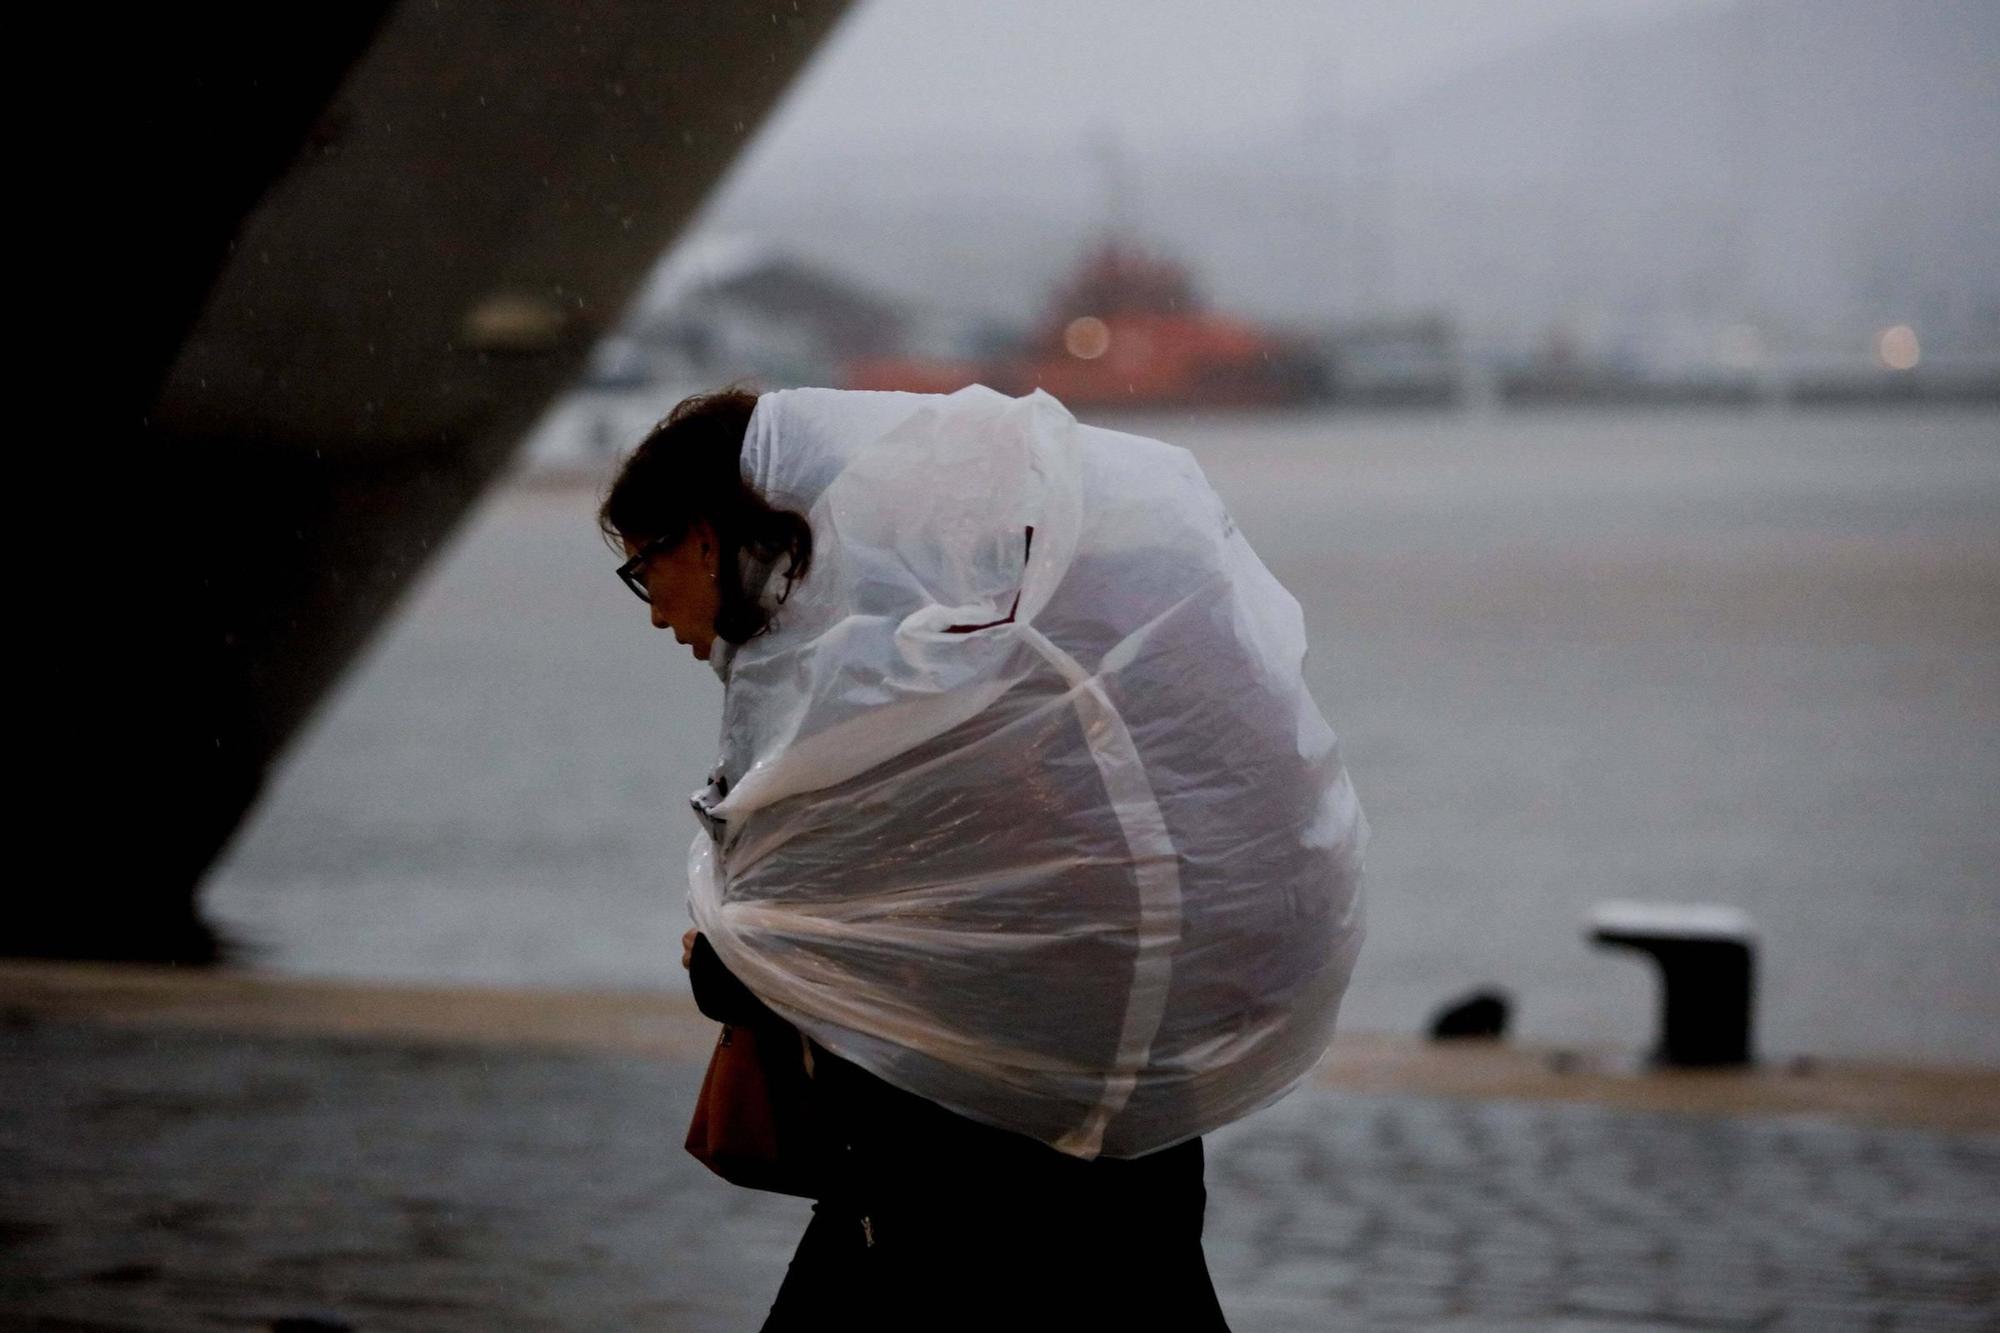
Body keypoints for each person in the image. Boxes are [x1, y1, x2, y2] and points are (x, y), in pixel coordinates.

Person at [600, 388, 1237, 1331]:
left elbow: (826, 947)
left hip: (955, 1182)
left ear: (703, 538)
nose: (652, 611)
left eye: (642, 567)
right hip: (1122, 1147)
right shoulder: (975, 648)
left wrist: (715, 961)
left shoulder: (840, 694)